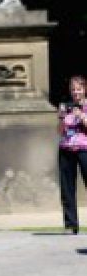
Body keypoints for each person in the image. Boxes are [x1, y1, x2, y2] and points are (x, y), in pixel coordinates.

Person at [57, 76, 87, 234]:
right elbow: (60, 131)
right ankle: (70, 225)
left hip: (84, 148)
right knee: (67, 188)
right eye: (73, 89)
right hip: (66, 149)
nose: (76, 92)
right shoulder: (66, 106)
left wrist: (82, 116)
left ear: (84, 89)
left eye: (79, 89)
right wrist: (62, 118)